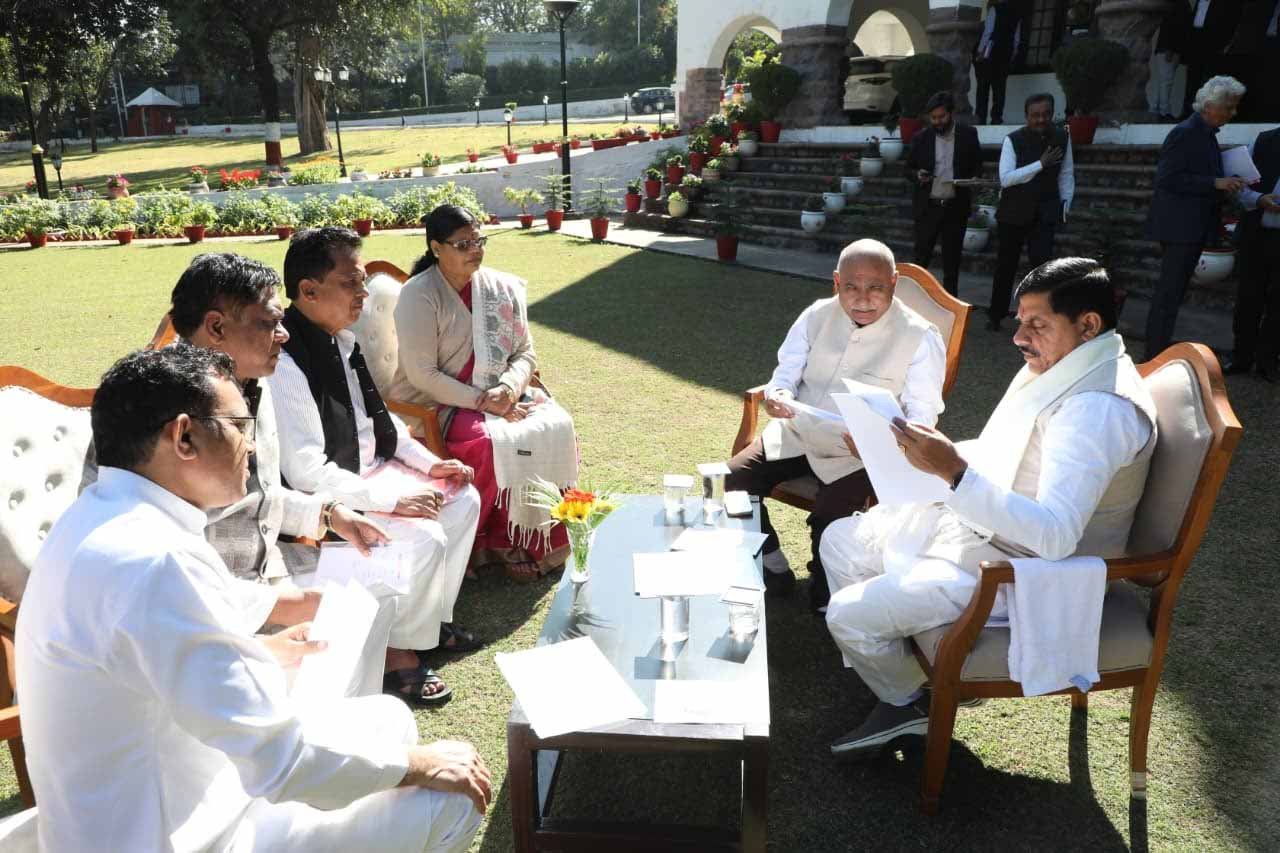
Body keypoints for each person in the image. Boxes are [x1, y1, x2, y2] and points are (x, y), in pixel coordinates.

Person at [16, 345, 489, 852]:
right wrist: (422, 765)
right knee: (451, 800)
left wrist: (263, 642)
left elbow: (144, 644)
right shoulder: (156, 557)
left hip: (157, 795)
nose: (253, 445)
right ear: (184, 437)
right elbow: (282, 765)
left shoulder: (98, 517)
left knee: (387, 719)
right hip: (183, 833)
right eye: (240, 425)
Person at [819, 258, 1156, 759]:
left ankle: (910, 704)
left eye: (1036, 325)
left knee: (848, 615)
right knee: (839, 541)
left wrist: (954, 472)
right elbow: (1016, 452)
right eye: (1020, 322)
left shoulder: (1096, 409)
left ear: (1088, 325)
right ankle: (921, 685)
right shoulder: (1071, 365)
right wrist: (911, 448)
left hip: (1022, 572)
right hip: (984, 533)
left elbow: (1056, 537)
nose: (1019, 338)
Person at [169, 253, 404, 696]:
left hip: (268, 565)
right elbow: (169, 569)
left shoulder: (252, 380)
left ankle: (355, 696)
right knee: (340, 619)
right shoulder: (165, 409)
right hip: (210, 606)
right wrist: (279, 605)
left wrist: (329, 515)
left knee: (380, 582)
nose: (285, 334)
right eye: (270, 322)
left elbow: (262, 494)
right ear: (216, 327)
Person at [269, 227, 483, 707]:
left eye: (363, 281)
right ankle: (394, 650)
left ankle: (428, 626)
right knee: (425, 536)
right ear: (308, 291)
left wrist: (431, 466)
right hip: (333, 497)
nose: (363, 293)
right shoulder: (286, 362)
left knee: (463, 500)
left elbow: (384, 425)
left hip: (372, 472)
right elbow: (305, 472)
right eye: (351, 283)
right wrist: (393, 500)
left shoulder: (342, 342)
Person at [726, 239, 946, 612]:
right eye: (851, 287)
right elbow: (786, 373)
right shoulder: (816, 314)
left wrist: (884, 445)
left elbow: (923, 413)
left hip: (859, 453)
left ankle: (825, 590)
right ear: (836, 282)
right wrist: (778, 395)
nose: (863, 298)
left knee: (830, 516)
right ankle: (771, 561)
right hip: (797, 433)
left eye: (876, 287)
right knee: (731, 482)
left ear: (893, 283)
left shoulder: (921, 335)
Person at [389, 205, 576, 583]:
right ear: (436, 248)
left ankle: (538, 539)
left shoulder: (500, 288)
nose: (475, 250)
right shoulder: (419, 294)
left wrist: (507, 390)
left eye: (478, 241)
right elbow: (422, 375)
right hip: (437, 402)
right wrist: (484, 401)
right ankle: (483, 546)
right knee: (487, 442)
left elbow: (525, 353)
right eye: (463, 244)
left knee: (558, 424)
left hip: (502, 394)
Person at [1145, 76, 1252, 361]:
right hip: (1179, 227)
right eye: (1228, 107)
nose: (1233, 113)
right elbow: (1167, 179)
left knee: (1173, 294)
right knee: (1168, 295)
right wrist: (1214, 183)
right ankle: (1153, 356)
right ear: (1209, 106)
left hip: (1192, 225)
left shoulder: (1206, 134)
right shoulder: (1185, 132)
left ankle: (1157, 352)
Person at [987, 93, 1075, 332]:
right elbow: (1006, 178)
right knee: (1006, 266)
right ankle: (996, 314)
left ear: (1052, 113)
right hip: (1013, 211)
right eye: (1035, 115)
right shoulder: (1013, 140)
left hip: (1045, 211)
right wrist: (1040, 165)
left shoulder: (1062, 137)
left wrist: (1065, 205)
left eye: (1046, 114)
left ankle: (1037, 318)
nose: (1041, 119)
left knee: (1042, 270)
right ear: (1026, 116)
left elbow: (1066, 174)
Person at [906, 91, 983, 297]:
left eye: (942, 117)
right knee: (921, 259)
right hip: (928, 207)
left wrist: (975, 178)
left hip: (955, 206)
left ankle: (951, 305)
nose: (938, 122)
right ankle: (913, 300)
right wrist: (917, 174)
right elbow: (907, 168)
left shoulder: (968, 135)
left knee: (952, 262)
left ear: (951, 114)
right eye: (933, 118)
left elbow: (978, 164)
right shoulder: (921, 138)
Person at [1226, 125, 1280, 381]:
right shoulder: (1264, 141)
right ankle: (1241, 357)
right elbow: (1238, 182)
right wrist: (1258, 199)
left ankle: (1268, 361)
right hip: (1257, 234)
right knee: (1248, 297)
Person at [1182, 0, 1241, 118]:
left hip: (1211, 42)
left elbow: (1229, 23)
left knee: (1208, 79)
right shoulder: (1199, 2)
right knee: (1192, 79)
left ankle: (1206, 113)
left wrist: (1223, 45)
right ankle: (1188, 111)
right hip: (1195, 40)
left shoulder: (1221, 3)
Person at [972, 0, 1022, 125]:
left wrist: (979, 52)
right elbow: (1016, 39)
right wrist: (1012, 55)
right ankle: (996, 118)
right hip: (1005, 55)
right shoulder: (1017, 13)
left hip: (989, 54)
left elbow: (988, 32)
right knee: (999, 88)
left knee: (983, 87)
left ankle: (980, 118)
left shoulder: (995, 9)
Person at [1150, 0, 1193, 121]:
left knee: (1162, 80)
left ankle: (1156, 109)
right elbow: (1172, 28)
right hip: (1169, 50)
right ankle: (1164, 111)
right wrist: (1170, 49)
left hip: (1166, 49)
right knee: (1166, 81)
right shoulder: (1179, 5)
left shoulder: (1173, 5)